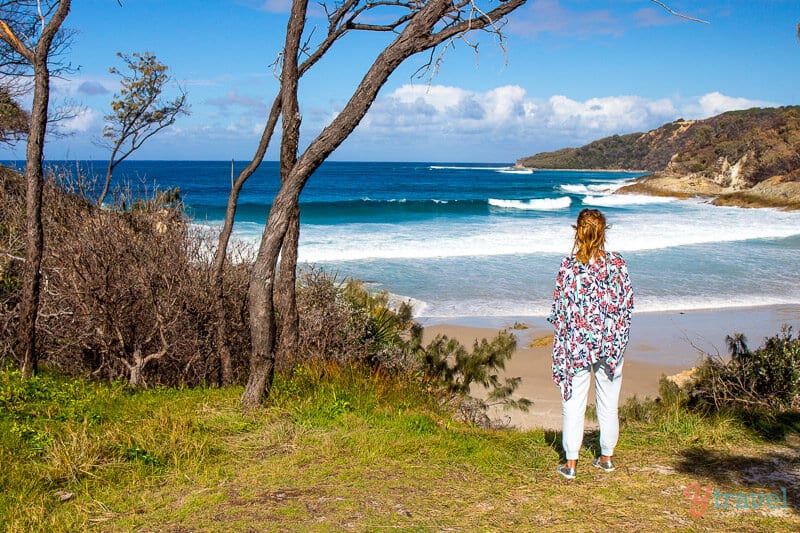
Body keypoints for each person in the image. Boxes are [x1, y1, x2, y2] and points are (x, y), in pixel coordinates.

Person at [547, 208, 634, 480]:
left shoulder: (569, 267)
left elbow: (559, 310)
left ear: (577, 232)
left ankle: (570, 464)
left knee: (573, 402)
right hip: (609, 343)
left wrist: (563, 344)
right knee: (608, 401)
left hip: (577, 346)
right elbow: (627, 304)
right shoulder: (617, 263)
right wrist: (617, 337)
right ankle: (606, 458)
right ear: (603, 232)